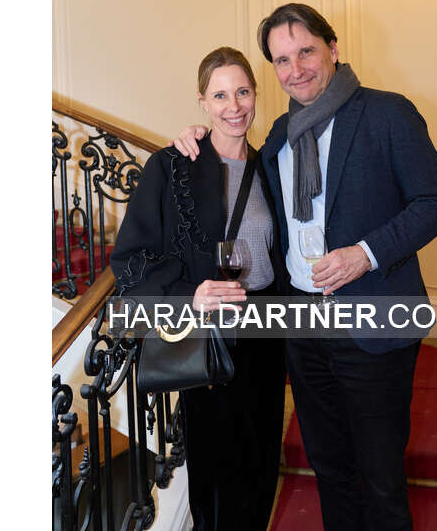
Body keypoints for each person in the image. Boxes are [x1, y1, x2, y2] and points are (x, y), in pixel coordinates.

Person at [172, 4, 437, 530]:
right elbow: (238, 173)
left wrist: (364, 253)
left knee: (381, 478)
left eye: (306, 51)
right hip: (304, 330)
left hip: (374, 321)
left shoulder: (387, 113)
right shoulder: (280, 135)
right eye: (282, 60)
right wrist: (197, 137)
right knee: (330, 470)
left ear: (333, 49)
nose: (296, 69)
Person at [109, 46, 286, 531]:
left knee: (262, 461)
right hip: (209, 334)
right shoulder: (173, 166)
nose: (234, 106)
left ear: (255, 94)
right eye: (220, 95)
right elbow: (130, 259)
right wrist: (190, 296)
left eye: (243, 92)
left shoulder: (270, 166)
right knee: (217, 470)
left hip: (266, 332)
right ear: (202, 102)